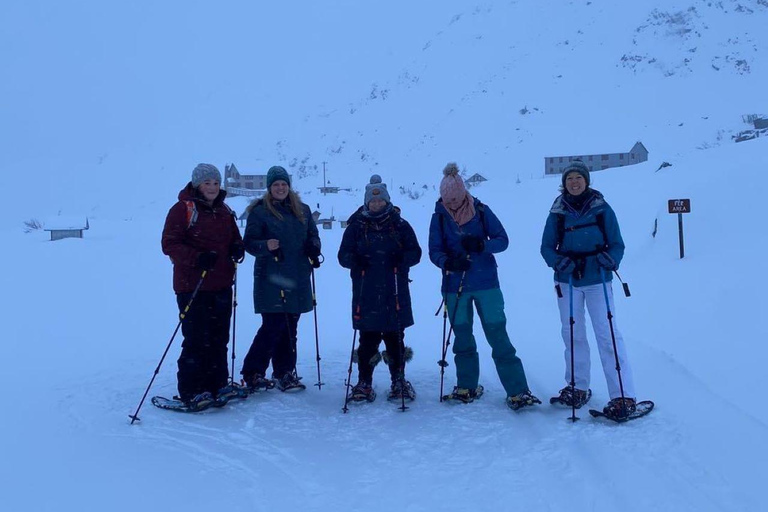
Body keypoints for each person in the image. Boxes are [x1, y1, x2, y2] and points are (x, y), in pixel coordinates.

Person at [428, 163, 540, 410]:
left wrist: (481, 245)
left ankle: (518, 390)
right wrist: (448, 262)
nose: (453, 204)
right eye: (448, 200)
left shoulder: (480, 210)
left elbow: (503, 240)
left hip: (487, 284)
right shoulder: (438, 217)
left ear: (464, 193)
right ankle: (467, 385)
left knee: (498, 336)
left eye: (456, 199)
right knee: (463, 338)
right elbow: (434, 251)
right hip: (454, 286)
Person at [540, 160, 637, 419]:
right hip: (568, 279)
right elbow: (546, 247)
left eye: (578, 178)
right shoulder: (557, 212)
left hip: (598, 279)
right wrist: (558, 261)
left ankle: (623, 394)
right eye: (569, 178)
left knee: (606, 334)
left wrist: (611, 258)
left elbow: (617, 243)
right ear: (564, 183)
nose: (574, 182)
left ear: (586, 181)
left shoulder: (602, 209)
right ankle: (577, 386)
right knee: (572, 333)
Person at [161, 163, 246, 410]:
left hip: (221, 284)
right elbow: (169, 244)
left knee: (219, 338)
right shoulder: (182, 210)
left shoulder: (225, 211)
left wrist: (237, 248)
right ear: (197, 185)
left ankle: (217, 384)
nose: (212, 187)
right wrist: (197, 257)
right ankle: (192, 390)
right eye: (207, 183)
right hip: (192, 286)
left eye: (216, 183)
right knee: (197, 339)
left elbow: (234, 238)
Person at [338, 175, 422, 402]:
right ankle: (364, 382)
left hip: (394, 291)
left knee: (396, 338)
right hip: (366, 292)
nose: (376, 204)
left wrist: (401, 258)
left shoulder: (400, 225)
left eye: (380, 201)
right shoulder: (356, 226)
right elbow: (343, 256)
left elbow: (416, 253)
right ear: (366, 203)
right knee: (368, 340)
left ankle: (398, 381)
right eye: (372, 201)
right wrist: (356, 260)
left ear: (387, 201)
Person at [240, 166, 321, 392]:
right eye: (276, 184)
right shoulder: (259, 211)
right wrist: (265, 246)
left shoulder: (302, 210)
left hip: (297, 276)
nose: (280, 188)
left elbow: (313, 235)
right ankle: (253, 372)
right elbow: (249, 243)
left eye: (283, 184)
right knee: (273, 326)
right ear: (269, 187)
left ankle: (285, 372)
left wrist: (314, 246)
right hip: (271, 277)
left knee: (290, 326)